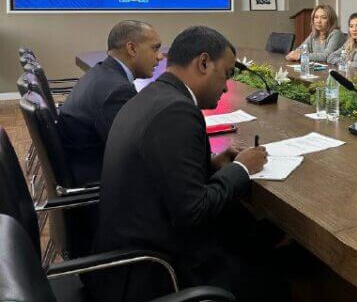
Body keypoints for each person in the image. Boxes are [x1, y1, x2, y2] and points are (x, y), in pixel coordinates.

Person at [91, 26, 274, 301]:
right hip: (157, 273)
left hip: (128, 254)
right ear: (203, 63)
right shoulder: (177, 112)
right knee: (272, 279)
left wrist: (212, 165)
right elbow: (194, 211)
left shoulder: (154, 96)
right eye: (225, 74)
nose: (226, 87)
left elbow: (163, 174)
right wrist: (242, 169)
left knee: (255, 235)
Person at [58, 20, 163, 185]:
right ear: (132, 49)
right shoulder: (118, 91)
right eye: (155, 48)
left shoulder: (100, 72)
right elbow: (133, 153)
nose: (160, 56)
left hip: (80, 164)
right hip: (96, 180)